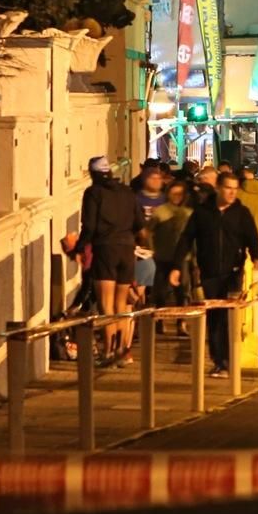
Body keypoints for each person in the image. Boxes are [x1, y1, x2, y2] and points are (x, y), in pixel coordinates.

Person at [172, 170, 258, 376]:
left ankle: (229, 359)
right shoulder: (203, 212)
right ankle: (219, 360)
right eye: (228, 188)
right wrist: (177, 267)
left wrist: (257, 259)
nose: (232, 193)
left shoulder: (242, 213)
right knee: (214, 318)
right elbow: (186, 239)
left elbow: (252, 238)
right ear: (219, 188)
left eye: (235, 189)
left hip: (233, 272)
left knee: (229, 317)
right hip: (210, 272)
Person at [78, 157, 143, 367]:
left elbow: (89, 226)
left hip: (105, 248)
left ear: (93, 173)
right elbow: (139, 222)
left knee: (106, 305)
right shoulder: (127, 193)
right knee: (121, 304)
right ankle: (123, 350)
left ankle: (108, 351)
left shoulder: (93, 193)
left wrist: (80, 247)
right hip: (127, 249)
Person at [148, 179, 197, 335]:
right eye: (173, 193)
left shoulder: (189, 214)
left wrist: (195, 260)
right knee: (160, 292)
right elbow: (148, 232)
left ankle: (181, 322)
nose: (176, 196)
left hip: (183, 258)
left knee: (182, 292)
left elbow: (194, 239)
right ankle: (160, 321)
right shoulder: (160, 211)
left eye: (179, 193)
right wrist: (152, 250)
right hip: (162, 257)